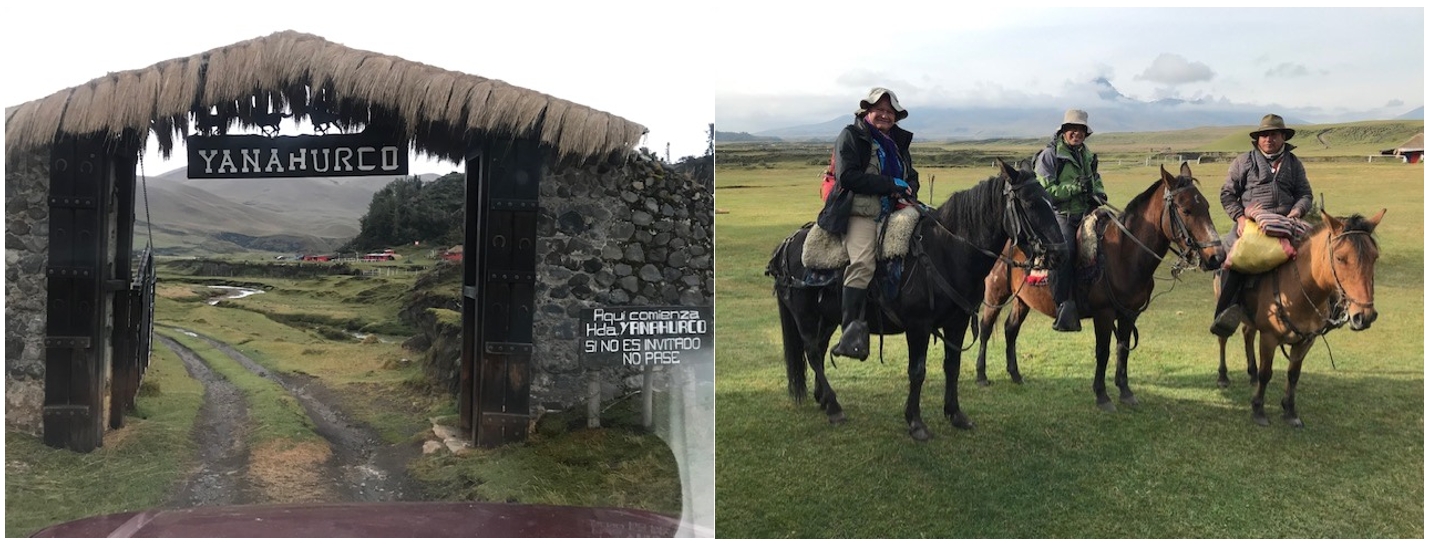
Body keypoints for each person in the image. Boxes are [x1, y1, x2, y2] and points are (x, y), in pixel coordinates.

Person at [816, 87, 919, 360]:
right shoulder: (852, 136)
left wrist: (908, 187)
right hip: (860, 212)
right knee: (862, 262)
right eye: (880, 110)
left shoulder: (896, 143)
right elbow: (848, 176)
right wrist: (889, 184)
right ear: (867, 112)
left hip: (895, 210)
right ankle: (850, 332)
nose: (885, 115)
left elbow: (912, 175)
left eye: (890, 112)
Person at [1209, 113, 1314, 337]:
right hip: (1251, 225)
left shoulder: (1293, 164)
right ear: (1258, 139)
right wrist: (1239, 217)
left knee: (1319, 257)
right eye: (1264, 135)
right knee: (1234, 261)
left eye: (1274, 134)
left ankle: (1327, 309)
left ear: (1283, 137)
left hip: (1287, 224)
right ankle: (1225, 314)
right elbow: (1227, 194)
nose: (1268, 139)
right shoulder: (1243, 162)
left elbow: (1305, 194)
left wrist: (1296, 212)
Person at [1034, 108, 1105, 333]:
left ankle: (1101, 297)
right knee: (1065, 252)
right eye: (1072, 129)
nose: (1077, 133)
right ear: (1064, 131)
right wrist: (1075, 188)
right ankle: (1062, 305)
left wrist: (1099, 193)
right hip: (1059, 215)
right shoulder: (1050, 156)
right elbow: (1044, 191)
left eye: (1081, 129)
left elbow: (1096, 180)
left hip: (1086, 212)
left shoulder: (1088, 156)